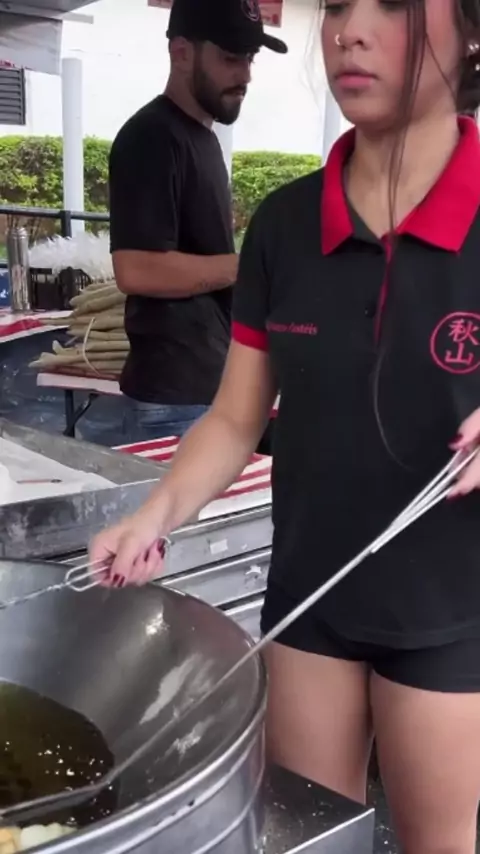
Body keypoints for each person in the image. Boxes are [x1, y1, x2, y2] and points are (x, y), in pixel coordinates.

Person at [92, 0, 480, 851]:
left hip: (452, 612)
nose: (348, 30)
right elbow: (236, 418)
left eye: (394, 5)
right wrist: (153, 516)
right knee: (306, 839)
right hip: (311, 599)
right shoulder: (285, 225)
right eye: (338, 5)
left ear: (471, 31)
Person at [109, 0, 287, 441]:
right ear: (182, 53)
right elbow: (136, 269)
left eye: (249, 59)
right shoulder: (150, 139)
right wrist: (249, 265)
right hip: (174, 403)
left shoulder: (202, 139)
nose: (245, 75)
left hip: (207, 391)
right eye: (230, 58)